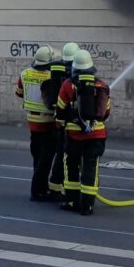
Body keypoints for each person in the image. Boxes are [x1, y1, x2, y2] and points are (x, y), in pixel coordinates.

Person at [57, 50, 111, 215]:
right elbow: (105, 113)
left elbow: (60, 109)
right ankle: (87, 206)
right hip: (97, 136)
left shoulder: (68, 85)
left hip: (74, 136)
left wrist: (66, 121)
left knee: (71, 166)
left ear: (75, 67)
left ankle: (72, 201)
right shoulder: (102, 86)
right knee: (91, 168)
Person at [15, 45, 57, 202]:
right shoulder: (52, 76)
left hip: (32, 122)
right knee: (46, 159)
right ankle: (38, 191)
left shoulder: (25, 73)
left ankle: (41, 188)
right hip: (48, 122)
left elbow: (19, 93)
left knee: (37, 157)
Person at [45, 42, 78, 201]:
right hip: (70, 121)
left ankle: (54, 188)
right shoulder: (74, 75)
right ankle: (68, 191)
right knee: (70, 158)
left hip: (58, 119)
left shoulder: (57, 69)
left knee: (59, 156)